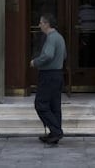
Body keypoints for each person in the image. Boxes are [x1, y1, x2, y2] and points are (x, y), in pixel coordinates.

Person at [30, 13, 67, 145]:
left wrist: (36, 62)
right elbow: (64, 55)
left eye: (41, 23)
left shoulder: (51, 38)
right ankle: (54, 133)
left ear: (46, 24)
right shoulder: (59, 37)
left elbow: (48, 55)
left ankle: (56, 131)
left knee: (40, 104)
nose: (39, 25)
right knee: (54, 106)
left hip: (49, 75)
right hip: (57, 74)